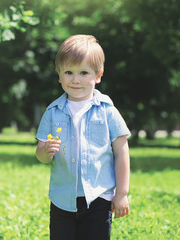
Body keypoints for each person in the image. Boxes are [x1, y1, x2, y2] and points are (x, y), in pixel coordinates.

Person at [35, 34, 131, 240]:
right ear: (59, 75)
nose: (75, 79)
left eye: (84, 72)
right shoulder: (53, 112)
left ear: (98, 75)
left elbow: (121, 152)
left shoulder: (108, 111)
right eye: (68, 72)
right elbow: (41, 154)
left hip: (99, 196)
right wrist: (45, 152)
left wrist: (121, 193)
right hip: (62, 199)